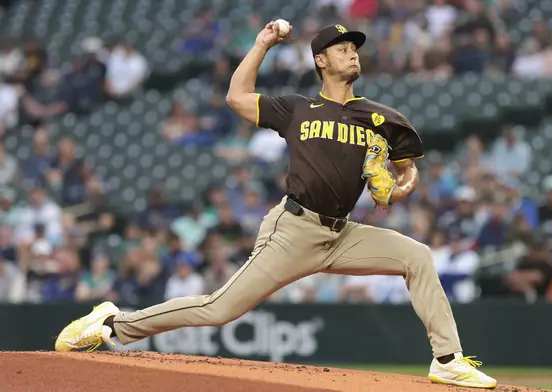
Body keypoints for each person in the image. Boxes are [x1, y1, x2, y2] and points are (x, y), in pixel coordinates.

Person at [54, 21, 497, 389]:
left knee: (417, 256)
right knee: (219, 309)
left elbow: (408, 170)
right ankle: (113, 324)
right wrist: (263, 43)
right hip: (294, 229)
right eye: (341, 48)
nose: (352, 54)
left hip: (342, 234)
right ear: (320, 60)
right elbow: (236, 98)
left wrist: (397, 190)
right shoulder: (297, 108)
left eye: (354, 48)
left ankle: (447, 359)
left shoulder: (382, 118)